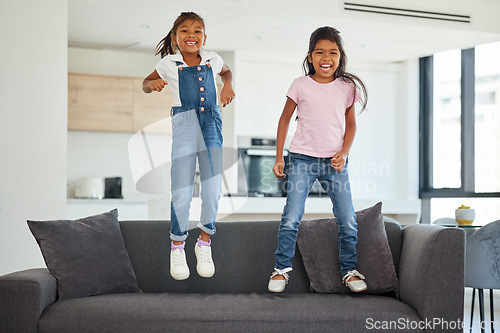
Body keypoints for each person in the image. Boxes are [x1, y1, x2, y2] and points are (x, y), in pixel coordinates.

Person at [268, 26, 368, 293]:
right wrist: (280, 157)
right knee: (292, 215)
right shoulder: (300, 85)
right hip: (301, 158)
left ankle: (349, 270)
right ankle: (280, 270)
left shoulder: (347, 87)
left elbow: (351, 125)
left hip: (335, 162)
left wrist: (344, 153)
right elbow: (285, 119)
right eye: (320, 52)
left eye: (333, 52)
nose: (326, 57)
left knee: (347, 218)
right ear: (310, 56)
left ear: (340, 56)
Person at [142, 12, 235, 281]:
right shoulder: (168, 63)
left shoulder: (213, 59)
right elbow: (145, 83)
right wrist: (153, 84)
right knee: (182, 189)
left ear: (204, 38)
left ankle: (204, 241)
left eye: (197, 31)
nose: (191, 35)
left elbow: (227, 72)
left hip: (211, 124)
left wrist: (228, 86)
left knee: (213, 187)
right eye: (184, 31)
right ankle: (178, 245)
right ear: (175, 37)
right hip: (184, 123)